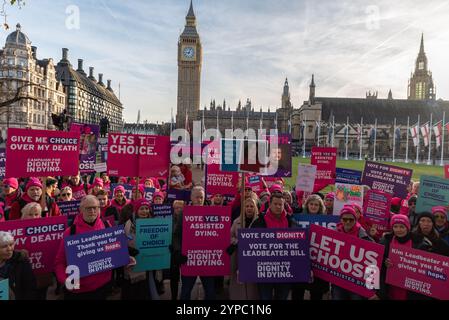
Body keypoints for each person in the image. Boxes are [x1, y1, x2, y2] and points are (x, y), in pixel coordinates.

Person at [55, 195, 134, 300]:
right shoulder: (70, 233)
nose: (92, 211)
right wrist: (65, 280)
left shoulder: (107, 226)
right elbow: (59, 262)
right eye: (88, 208)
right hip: (79, 290)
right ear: (81, 210)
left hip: (103, 285)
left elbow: (114, 250)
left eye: (95, 207)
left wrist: (126, 258)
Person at [375, 214, 432, 300]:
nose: (398, 230)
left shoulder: (419, 243)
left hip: (410, 288)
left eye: (402, 227)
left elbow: (426, 266)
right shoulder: (386, 240)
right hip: (390, 285)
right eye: (395, 226)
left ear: (407, 227)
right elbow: (378, 261)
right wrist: (385, 261)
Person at [251, 192, 293, 300]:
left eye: (281, 204)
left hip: (285, 270)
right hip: (264, 269)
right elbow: (249, 245)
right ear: (269, 204)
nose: (278, 206)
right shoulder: (259, 222)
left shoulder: (291, 222)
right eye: (275, 204)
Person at [178, 186, 216, 300]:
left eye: (201, 197)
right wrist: (178, 250)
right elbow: (176, 234)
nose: (199, 200)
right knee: (186, 291)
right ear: (191, 198)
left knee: (210, 291)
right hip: (189, 259)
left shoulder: (212, 212)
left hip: (207, 259)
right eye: (197, 197)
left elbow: (218, 234)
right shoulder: (184, 213)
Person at [332, 205, 374, 300]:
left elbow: (374, 258)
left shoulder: (364, 236)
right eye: (345, 219)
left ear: (355, 220)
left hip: (356, 282)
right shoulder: (332, 234)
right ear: (341, 219)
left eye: (351, 219)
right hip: (339, 279)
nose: (347, 222)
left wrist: (371, 287)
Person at [122, 198, 158, 300]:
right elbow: (122, 242)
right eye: (141, 209)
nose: (145, 211)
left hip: (148, 265)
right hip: (133, 265)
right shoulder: (128, 224)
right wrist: (128, 249)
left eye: (147, 208)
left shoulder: (153, 222)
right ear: (136, 210)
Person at [227, 198, 259, 300]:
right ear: (243, 208)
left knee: (252, 284)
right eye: (247, 206)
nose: (249, 208)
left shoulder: (259, 221)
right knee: (238, 282)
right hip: (238, 256)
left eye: (251, 206)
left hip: (254, 257)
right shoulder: (237, 221)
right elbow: (229, 236)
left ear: (255, 208)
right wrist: (238, 242)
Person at [0, 231, 37, 300]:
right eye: (4, 246)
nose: (9, 249)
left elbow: (30, 288)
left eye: (11, 244)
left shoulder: (21, 260)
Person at [169, 200, 185, 300]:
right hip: (173, 253)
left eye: (180, 208)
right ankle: (173, 296)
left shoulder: (188, 218)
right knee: (174, 278)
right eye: (176, 208)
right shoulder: (169, 220)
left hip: (184, 252)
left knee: (185, 277)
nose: (178, 210)